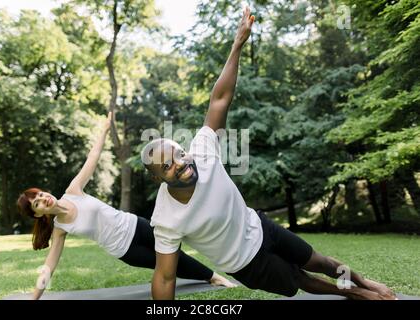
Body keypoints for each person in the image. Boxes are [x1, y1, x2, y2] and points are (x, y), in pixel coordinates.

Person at [141, 6, 396, 300]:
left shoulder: (201, 150)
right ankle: (356, 295)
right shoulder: (166, 219)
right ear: (158, 178)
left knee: (321, 261)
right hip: (245, 262)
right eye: (167, 166)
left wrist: (237, 45)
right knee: (301, 279)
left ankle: (365, 284)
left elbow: (220, 99)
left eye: (178, 154)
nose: (180, 163)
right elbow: (164, 275)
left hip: (259, 225)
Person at [17, 112, 235, 300]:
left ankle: (214, 274)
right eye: (37, 203)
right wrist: (35, 297)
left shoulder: (73, 191)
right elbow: (49, 266)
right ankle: (213, 277)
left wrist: (103, 131)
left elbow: (92, 157)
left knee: (173, 250)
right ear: (38, 214)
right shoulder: (60, 229)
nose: (43, 199)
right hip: (126, 249)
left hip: (135, 225)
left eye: (41, 194)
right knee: (168, 265)